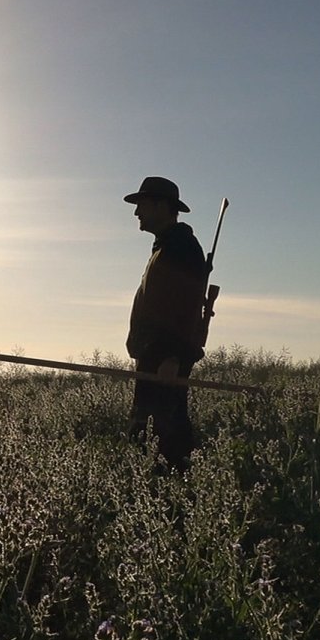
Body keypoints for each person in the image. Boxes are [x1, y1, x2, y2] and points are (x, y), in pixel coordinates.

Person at [123, 176, 209, 468]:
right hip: (155, 356)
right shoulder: (166, 246)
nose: (137, 213)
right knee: (150, 429)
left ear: (162, 206)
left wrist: (174, 356)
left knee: (165, 434)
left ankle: (178, 495)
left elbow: (186, 305)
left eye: (143, 205)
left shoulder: (181, 247)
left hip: (165, 360)